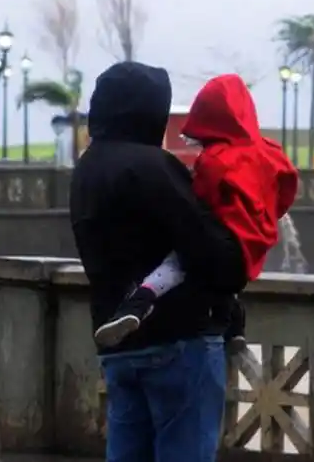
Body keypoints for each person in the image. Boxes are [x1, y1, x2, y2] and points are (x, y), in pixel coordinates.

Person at [70, 62, 249, 462]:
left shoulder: (87, 169)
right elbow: (210, 251)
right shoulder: (153, 166)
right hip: (178, 339)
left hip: (117, 342)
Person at [92, 73, 299, 350]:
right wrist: (264, 215)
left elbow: (198, 199)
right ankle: (235, 328)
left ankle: (139, 303)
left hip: (222, 235)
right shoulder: (270, 152)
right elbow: (287, 187)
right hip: (253, 239)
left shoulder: (216, 159)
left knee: (177, 263)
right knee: (227, 281)